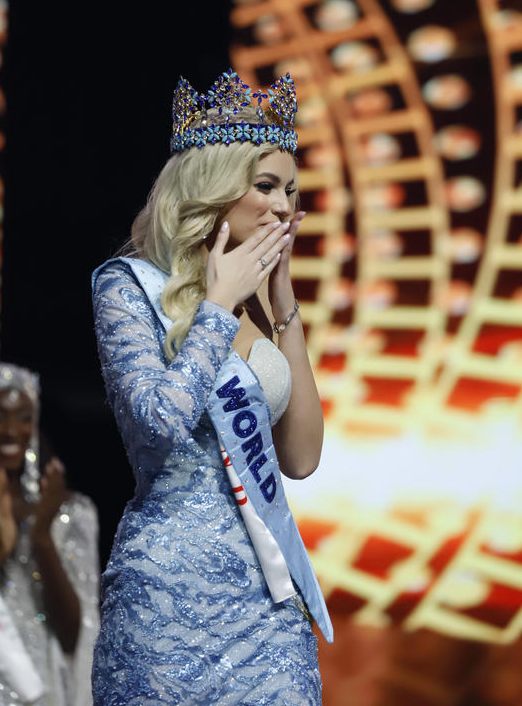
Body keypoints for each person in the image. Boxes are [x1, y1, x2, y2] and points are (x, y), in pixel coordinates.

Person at [91, 70, 333, 706]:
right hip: (166, 596)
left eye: (291, 190)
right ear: (215, 189)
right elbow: (154, 424)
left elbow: (302, 459)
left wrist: (282, 305)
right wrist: (217, 308)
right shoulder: (128, 286)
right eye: (267, 186)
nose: (285, 206)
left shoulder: (259, 302)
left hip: (268, 600)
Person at [0, 363, 100, 706]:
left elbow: (73, 636)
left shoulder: (70, 513)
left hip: (37, 690)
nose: (11, 431)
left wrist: (42, 537)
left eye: (23, 417)